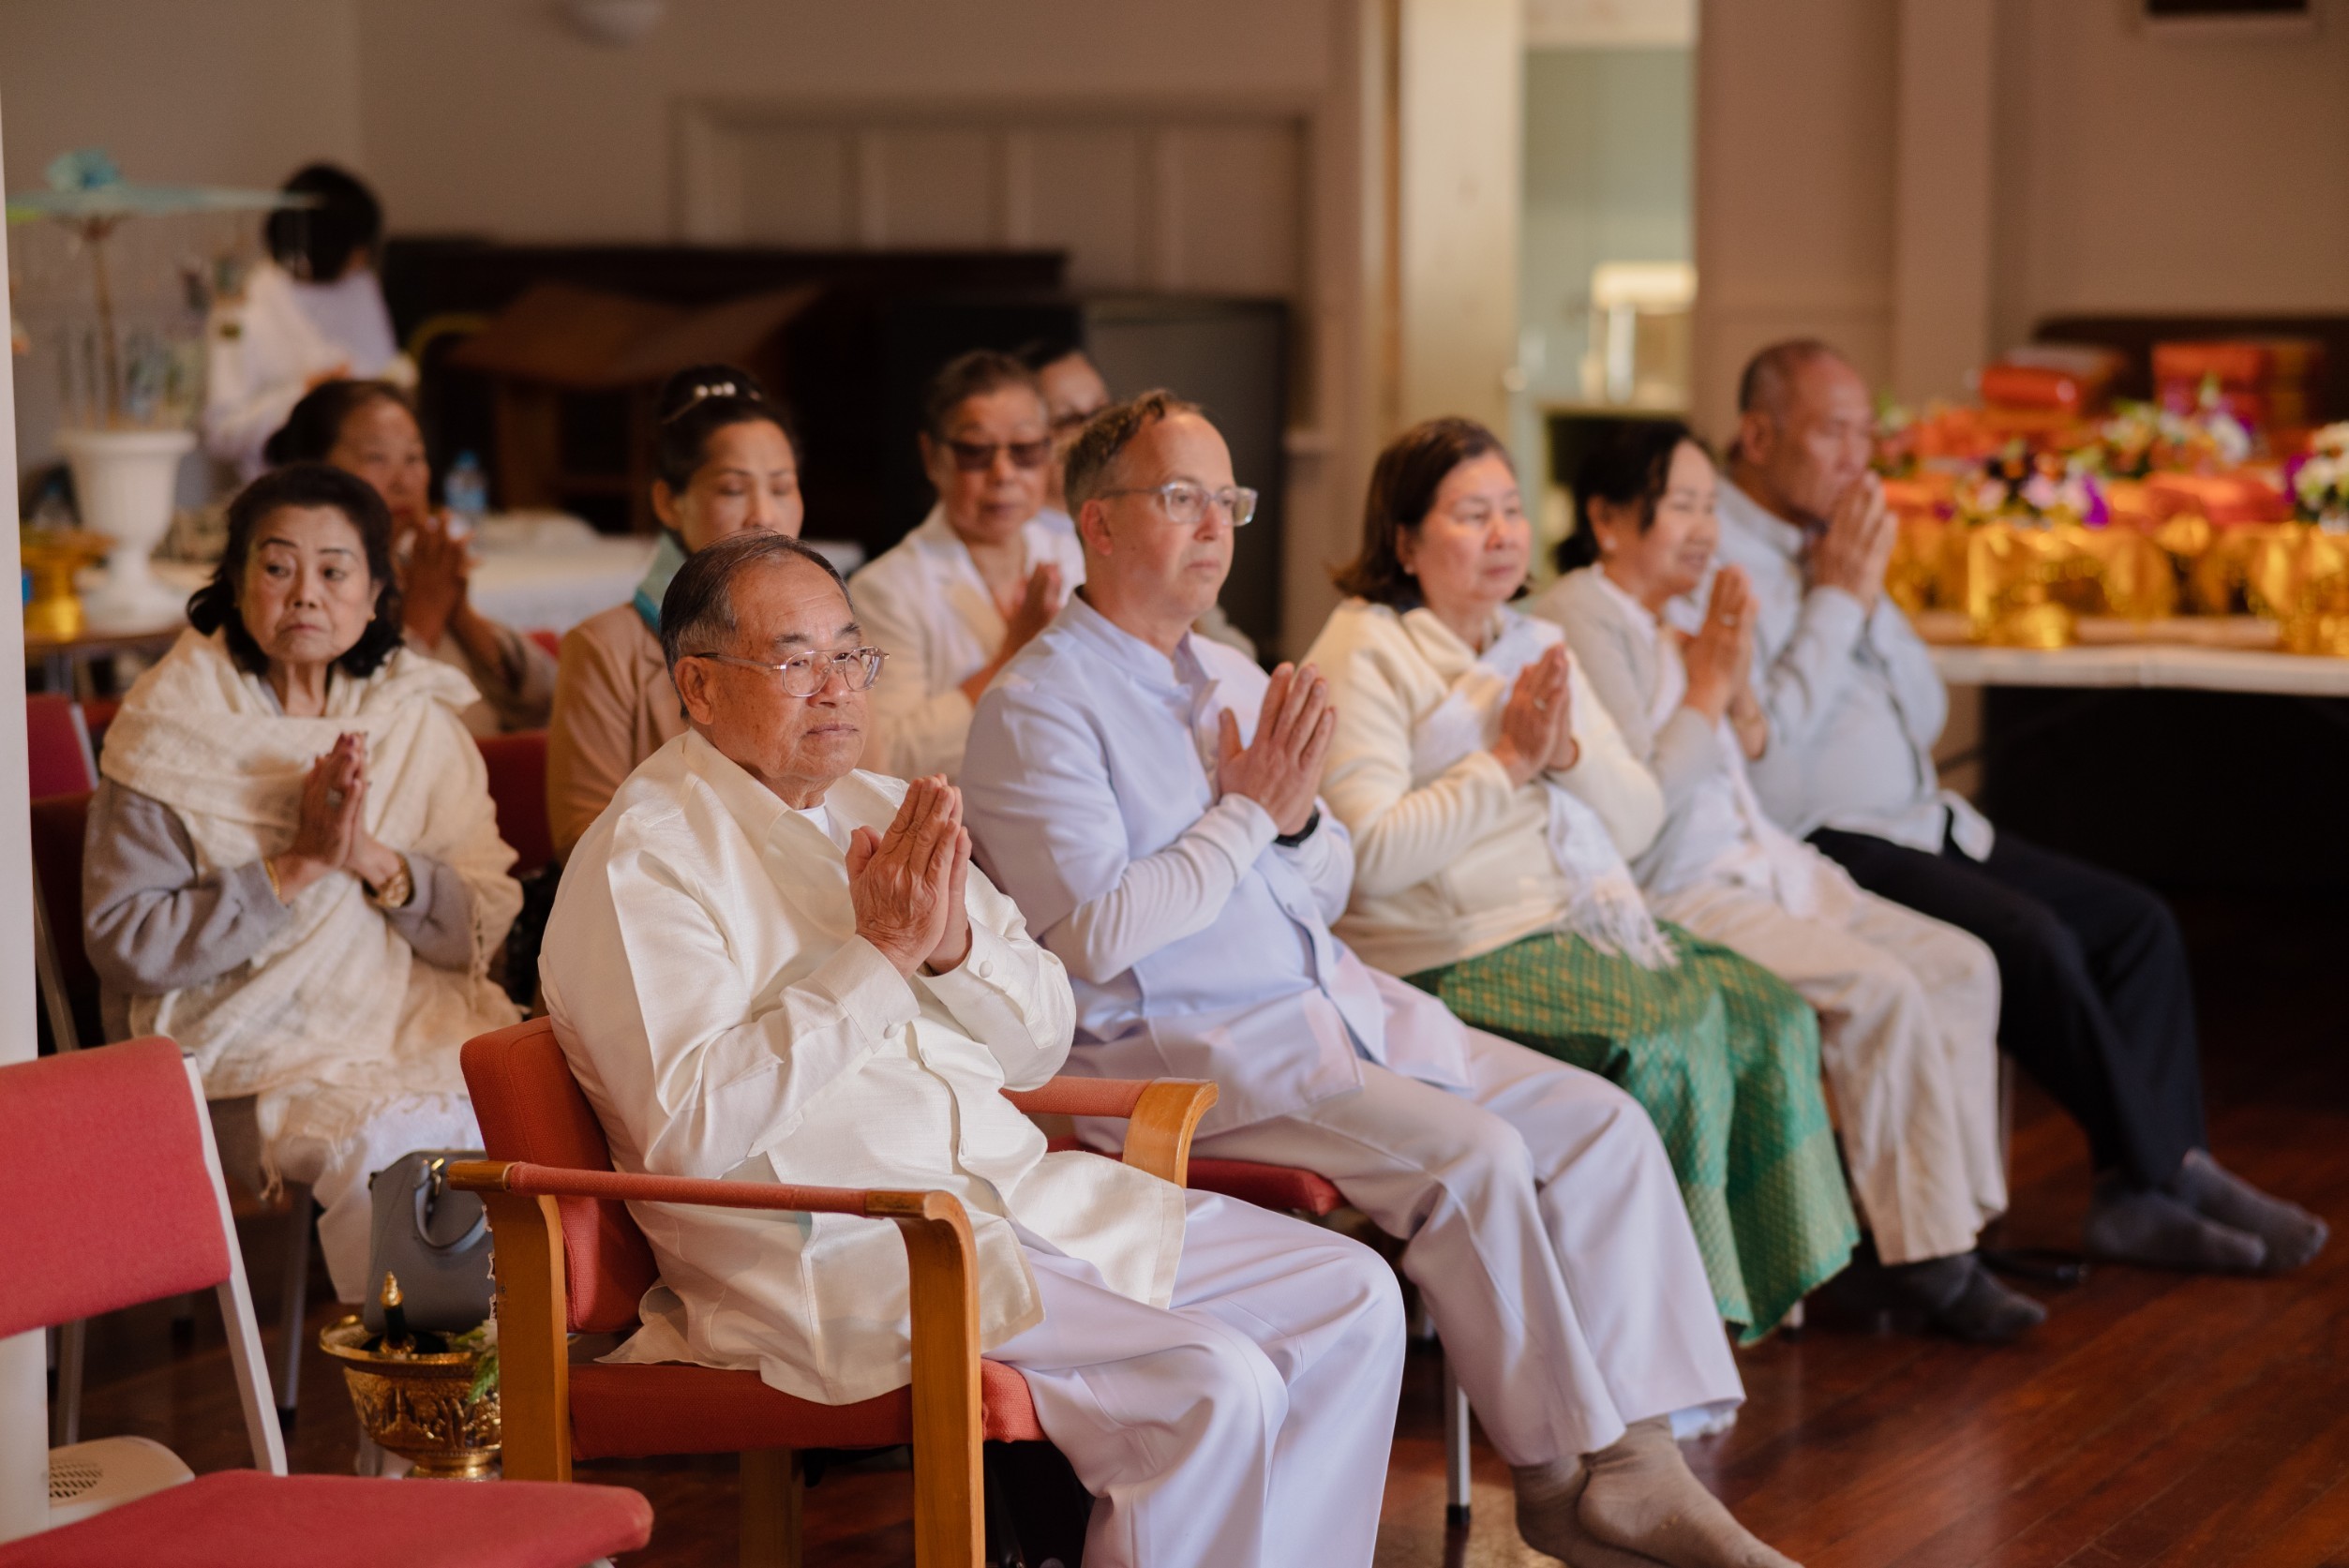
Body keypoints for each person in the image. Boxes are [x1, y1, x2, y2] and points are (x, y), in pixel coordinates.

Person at [964, 392, 1801, 1568]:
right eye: (1182, 498)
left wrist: (1292, 828)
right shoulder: (1037, 704)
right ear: (1097, 524)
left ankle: (1642, 1459)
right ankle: (1561, 1482)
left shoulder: (1234, 670)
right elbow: (1097, 934)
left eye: (1229, 500)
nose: (1216, 526)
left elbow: (1323, 886)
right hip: (1182, 1048)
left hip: (1328, 996)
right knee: (1479, 1157)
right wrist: (1249, 810)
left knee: (1604, 1125)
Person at [541, 530, 1406, 1568]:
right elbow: (687, 1134)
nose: (837, 688)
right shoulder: (646, 857)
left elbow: (1038, 1044)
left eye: (850, 655)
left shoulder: (879, 805)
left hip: (1009, 1195)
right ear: (700, 685)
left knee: (1353, 1295)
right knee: (1216, 1379)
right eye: (795, 659)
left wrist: (950, 949)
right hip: (849, 1246)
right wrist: (877, 954)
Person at [1708, 338, 2327, 1276]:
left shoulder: (1837, 535)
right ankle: (2175, 1170)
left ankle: (2135, 1187)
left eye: (1863, 435)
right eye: (1833, 433)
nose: (1856, 457)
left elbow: (1921, 710)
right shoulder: (1720, 558)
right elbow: (1770, 760)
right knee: (2027, 935)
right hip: (1821, 843)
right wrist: (1838, 597)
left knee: (2138, 925)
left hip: (1925, 819)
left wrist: (1862, 597)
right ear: (1757, 434)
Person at [1302, 416, 1860, 1341]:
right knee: (1669, 1033)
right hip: (1443, 954)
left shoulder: (1527, 639)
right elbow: (1368, 858)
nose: (1501, 535)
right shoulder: (1366, 649)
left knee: (1770, 1010)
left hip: (1568, 918)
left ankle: (1715, 1307)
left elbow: (1636, 814)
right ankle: (1643, 1335)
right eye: (1470, 514)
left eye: (1511, 511)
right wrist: (1507, 765)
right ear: (1403, 540)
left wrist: (1561, 753)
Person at [1532, 421, 2036, 1344]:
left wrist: (1734, 678)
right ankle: (1928, 1258)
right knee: (1879, 989)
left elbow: (1754, 754)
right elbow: (1635, 800)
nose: (1700, 527)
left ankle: (1946, 1230)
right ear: (1607, 516)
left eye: (1707, 507)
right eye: (1679, 504)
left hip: (1766, 862)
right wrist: (1707, 686)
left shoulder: (1676, 616)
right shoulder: (1579, 614)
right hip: (1675, 884)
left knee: (1962, 963)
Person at [82, 463, 522, 1301]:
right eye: (278, 567)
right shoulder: (170, 728)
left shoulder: (414, 720)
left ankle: (513, 1400)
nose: (305, 595)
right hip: (237, 1057)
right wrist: (296, 865)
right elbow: (126, 945)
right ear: (236, 584)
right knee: (399, 1157)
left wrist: (368, 858)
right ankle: (417, 1424)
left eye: (334, 571)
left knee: (525, 1118)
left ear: (375, 595)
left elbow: (477, 927)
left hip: (408, 1021)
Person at [546, 363, 803, 858]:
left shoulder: (832, 642)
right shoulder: (606, 649)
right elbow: (585, 842)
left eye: (782, 486)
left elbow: (863, 802)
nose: (764, 515)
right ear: (668, 502)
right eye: (732, 489)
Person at [267, 380, 554, 736]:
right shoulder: (299, 594)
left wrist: (461, 615)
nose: (404, 481)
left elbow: (551, 703)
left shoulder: (418, 574)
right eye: (377, 459)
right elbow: (357, 741)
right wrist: (423, 621)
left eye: (414, 458)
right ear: (312, 472)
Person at [852, 351, 1085, 781]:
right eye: (976, 452)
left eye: (1025, 450)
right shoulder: (887, 589)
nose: (1003, 472)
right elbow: (891, 757)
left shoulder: (1073, 550)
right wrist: (1008, 659)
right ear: (932, 457)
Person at [207, 164, 414, 482]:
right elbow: (223, 434)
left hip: (373, 482)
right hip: (284, 486)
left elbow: (384, 369)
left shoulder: (359, 287)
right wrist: (305, 392)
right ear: (330, 242)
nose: (363, 258)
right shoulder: (244, 308)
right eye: (357, 246)